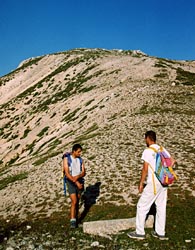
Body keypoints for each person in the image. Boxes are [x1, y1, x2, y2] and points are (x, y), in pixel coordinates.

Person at [127, 131, 176, 240]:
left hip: (153, 183)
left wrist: (141, 183)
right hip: (164, 182)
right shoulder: (161, 149)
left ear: (148, 139)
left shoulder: (148, 151)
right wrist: (164, 171)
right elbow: (172, 161)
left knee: (141, 206)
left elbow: (145, 169)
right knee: (161, 207)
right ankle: (160, 232)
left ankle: (139, 232)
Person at [63, 144, 86, 228]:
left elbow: (83, 172)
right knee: (74, 201)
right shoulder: (66, 159)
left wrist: (78, 177)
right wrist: (76, 182)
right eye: (78, 152)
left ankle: (76, 220)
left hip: (79, 181)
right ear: (74, 151)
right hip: (71, 182)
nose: (80, 153)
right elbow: (67, 173)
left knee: (77, 202)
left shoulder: (80, 160)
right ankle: (72, 221)